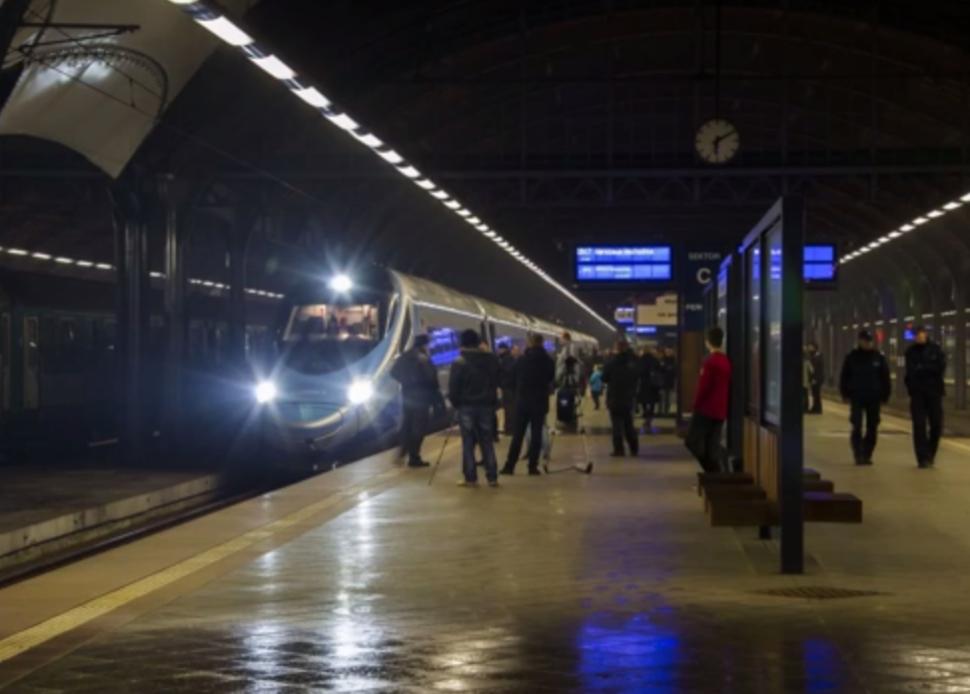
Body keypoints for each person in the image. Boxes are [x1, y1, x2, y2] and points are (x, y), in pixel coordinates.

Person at [448, 329, 501, 487]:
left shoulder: (458, 362)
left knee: (468, 443)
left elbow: (453, 389)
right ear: (478, 342)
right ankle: (492, 477)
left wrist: (457, 404)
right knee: (487, 441)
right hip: (486, 406)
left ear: (462, 343)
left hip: (466, 407)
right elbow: (496, 380)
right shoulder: (491, 360)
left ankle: (470, 478)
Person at [501, 333, 556, 476]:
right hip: (540, 402)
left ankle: (509, 466)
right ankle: (532, 467)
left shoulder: (521, 360)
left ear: (529, 343)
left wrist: (517, 391)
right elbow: (550, 378)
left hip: (523, 402)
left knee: (518, 435)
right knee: (536, 434)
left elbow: (510, 378)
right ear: (542, 343)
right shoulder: (548, 361)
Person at [390, 334, 445, 468]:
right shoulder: (424, 358)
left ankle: (403, 451)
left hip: (407, 396)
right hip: (422, 398)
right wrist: (438, 399)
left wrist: (406, 382)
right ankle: (414, 457)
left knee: (407, 424)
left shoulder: (404, 356)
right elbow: (432, 380)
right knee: (419, 428)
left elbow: (393, 372)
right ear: (425, 345)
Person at [839, 330, 891, 466]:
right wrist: (845, 393)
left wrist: (885, 395)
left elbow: (885, 377)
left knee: (872, 426)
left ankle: (867, 453)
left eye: (870, 341)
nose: (868, 343)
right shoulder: (852, 357)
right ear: (860, 341)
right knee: (856, 425)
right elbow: (844, 376)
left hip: (874, 397)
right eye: (865, 341)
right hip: (857, 396)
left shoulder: (878, 358)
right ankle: (858, 453)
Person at [685, 327, 732, 472]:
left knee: (691, 441)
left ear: (707, 342)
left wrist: (695, 405)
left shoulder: (709, 362)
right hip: (720, 410)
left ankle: (712, 471)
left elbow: (703, 387)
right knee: (712, 444)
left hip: (705, 409)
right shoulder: (726, 361)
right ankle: (715, 473)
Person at [904, 326, 946, 468]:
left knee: (936, 424)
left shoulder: (936, 350)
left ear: (926, 334)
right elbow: (911, 372)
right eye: (917, 335)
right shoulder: (910, 352)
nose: (920, 337)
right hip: (918, 394)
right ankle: (922, 458)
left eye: (921, 334)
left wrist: (922, 368)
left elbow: (940, 367)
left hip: (934, 392)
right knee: (919, 426)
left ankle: (930, 453)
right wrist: (927, 369)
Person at [602, 339, 640, 457]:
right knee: (629, 423)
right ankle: (634, 448)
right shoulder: (633, 362)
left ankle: (619, 450)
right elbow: (637, 375)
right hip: (628, 396)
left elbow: (604, 378)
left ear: (617, 348)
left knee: (616, 424)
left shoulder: (611, 362)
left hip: (614, 396)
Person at [555, 355, 582, 431]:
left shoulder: (562, 369)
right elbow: (577, 380)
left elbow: (557, 378)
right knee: (572, 405)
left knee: (565, 405)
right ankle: (570, 419)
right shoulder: (574, 370)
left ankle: (565, 418)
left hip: (564, 391)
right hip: (570, 391)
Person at [637, 347, 662, 428]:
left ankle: (645, 412)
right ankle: (651, 413)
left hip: (644, 383)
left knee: (643, 399)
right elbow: (660, 369)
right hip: (653, 383)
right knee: (652, 400)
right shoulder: (654, 360)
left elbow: (639, 371)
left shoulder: (641, 360)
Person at [497, 343, 518, 435]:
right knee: (509, 408)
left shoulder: (506, 359)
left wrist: (502, 383)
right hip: (509, 387)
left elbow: (507, 373)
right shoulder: (508, 358)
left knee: (509, 408)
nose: (498, 351)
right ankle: (509, 428)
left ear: (503, 349)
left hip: (508, 388)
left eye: (499, 349)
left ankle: (510, 429)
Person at [807, 342, 825, 414]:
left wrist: (815, 378)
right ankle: (815, 408)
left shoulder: (818, 356)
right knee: (814, 394)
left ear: (814, 347)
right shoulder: (813, 356)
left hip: (817, 378)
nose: (809, 348)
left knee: (816, 394)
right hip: (814, 378)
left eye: (810, 347)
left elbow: (818, 369)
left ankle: (818, 409)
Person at [660, 347, 677, 415]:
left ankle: (666, 410)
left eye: (669, 351)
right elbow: (661, 368)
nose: (668, 353)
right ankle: (663, 410)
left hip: (669, 380)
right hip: (663, 380)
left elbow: (674, 370)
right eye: (667, 351)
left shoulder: (673, 360)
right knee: (663, 396)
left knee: (668, 397)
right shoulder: (663, 359)